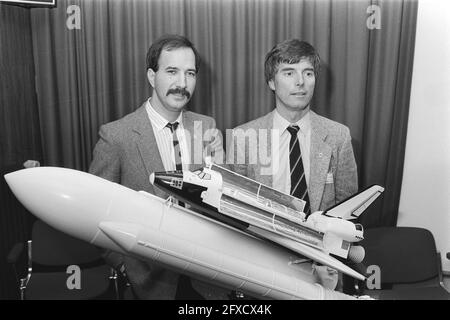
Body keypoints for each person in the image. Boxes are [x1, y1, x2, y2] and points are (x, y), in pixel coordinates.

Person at [89, 34, 226, 299]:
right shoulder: (117, 136)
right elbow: (95, 214)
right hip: (152, 283)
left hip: (208, 279)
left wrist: (221, 162)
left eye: (190, 73)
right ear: (152, 76)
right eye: (172, 72)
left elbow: (220, 201)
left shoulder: (206, 126)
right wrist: (125, 266)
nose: (182, 84)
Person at [228, 39, 358, 290]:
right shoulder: (244, 137)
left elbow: (348, 211)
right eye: (289, 73)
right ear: (271, 82)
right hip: (263, 265)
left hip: (323, 267)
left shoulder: (338, 136)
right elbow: (234, 212)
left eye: (307, 73)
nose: (300, 82)